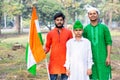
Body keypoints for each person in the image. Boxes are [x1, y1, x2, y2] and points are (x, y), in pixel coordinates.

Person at [83, 7, 112, 80]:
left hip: (103, 58)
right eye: (90, 14)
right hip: (91, 59)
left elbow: (108, 42)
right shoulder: (86, 29)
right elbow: (83, 44)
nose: (92, 15)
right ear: (88, 16)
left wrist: (108, 57)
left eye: (94, 13)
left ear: (97, 15)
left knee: (103, 76)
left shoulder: (104, 28)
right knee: (92, 76)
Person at [44, 12, 73, 80]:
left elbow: (72, 47)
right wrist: (43, 51)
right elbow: (47, 46)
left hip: (66, 61)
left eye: (61, 20)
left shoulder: (68, 32)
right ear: (55, 21)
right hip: (54, 62)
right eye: (57, 20)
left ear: (63, 21)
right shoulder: (50, 33)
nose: (59, 22)